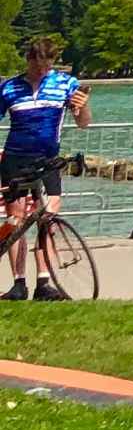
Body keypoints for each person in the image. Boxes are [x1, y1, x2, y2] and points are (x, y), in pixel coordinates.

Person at [2, 34, 88, 302]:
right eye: (38, 66)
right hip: (16, 160)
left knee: (47, 220)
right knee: (15, 222)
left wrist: (83, 108)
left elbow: (83, 122)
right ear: (28, 59)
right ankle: (18, 283)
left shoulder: (65, 84)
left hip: (48, 161)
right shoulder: (9, 88)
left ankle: (44, 282)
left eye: (47, 66)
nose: (42, 72)